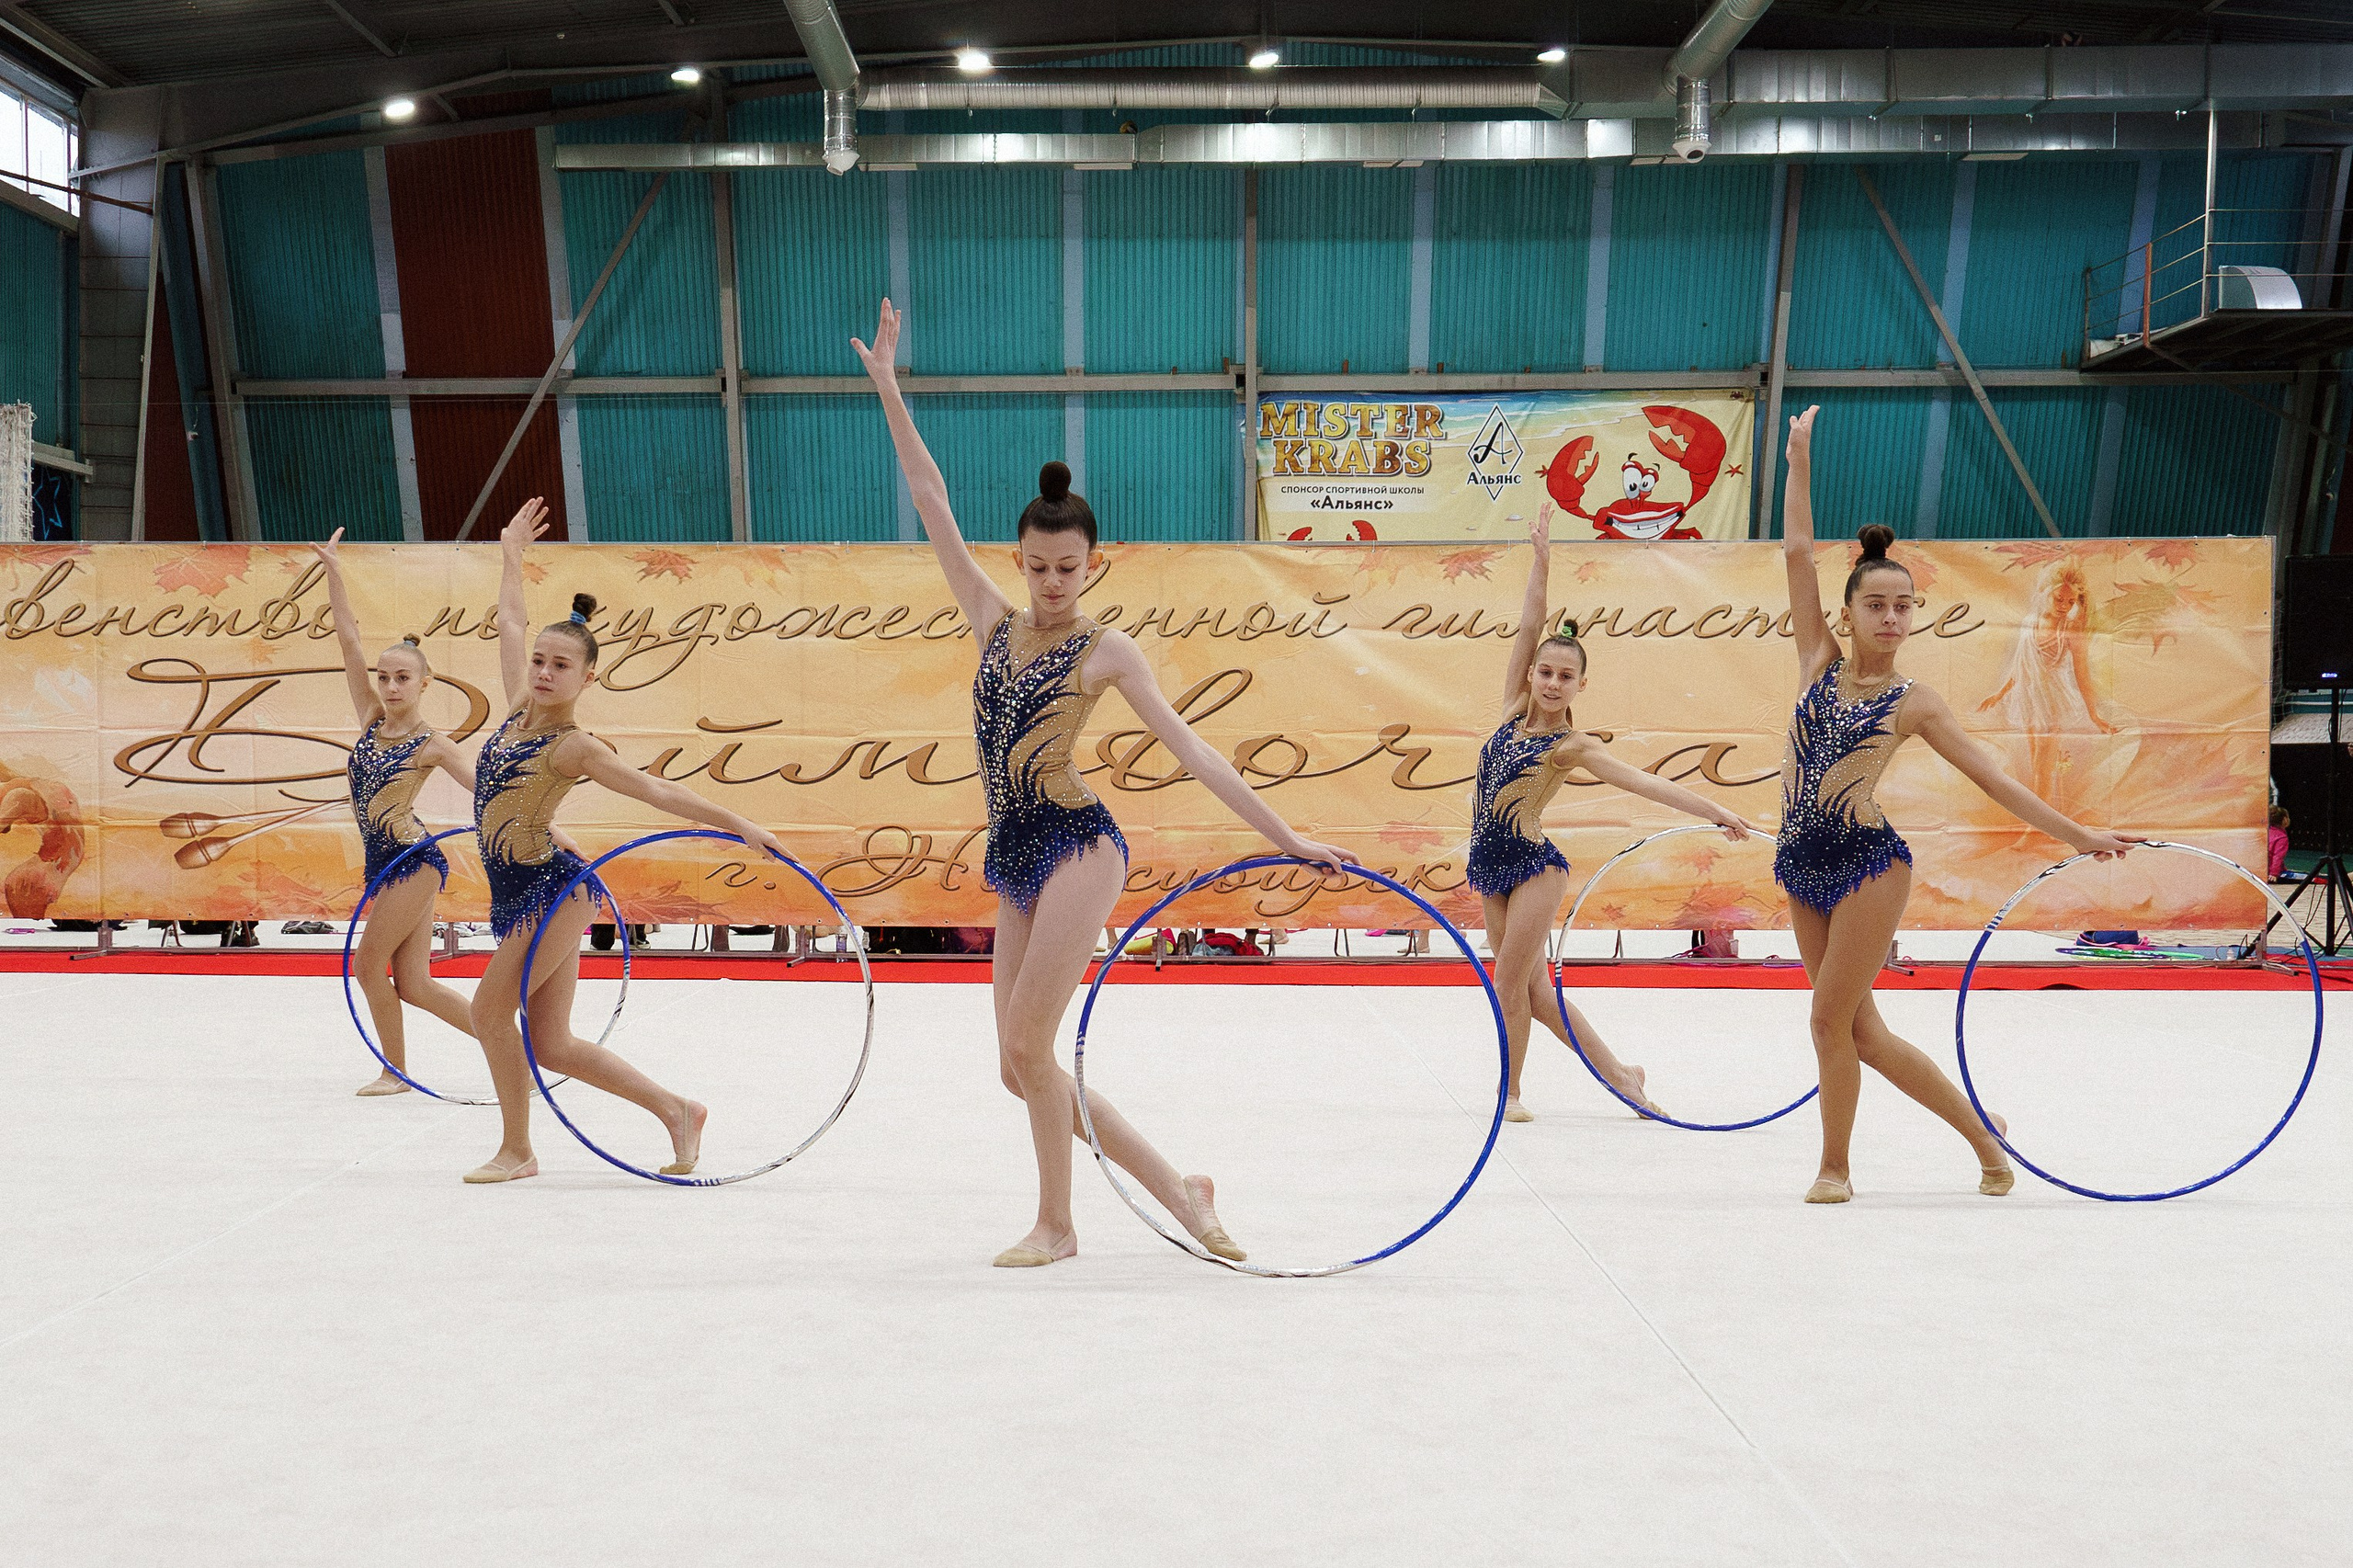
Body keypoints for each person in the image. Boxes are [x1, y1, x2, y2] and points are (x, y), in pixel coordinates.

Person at [855, 298, 1356, 1267]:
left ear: (1094, 564)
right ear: (1019, 560)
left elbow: (1195, 751)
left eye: (1067, 568)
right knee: (1015, 1064)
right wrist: (885, 383)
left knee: (1031, 1052)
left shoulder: (1106, 649)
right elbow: (930, 496)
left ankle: (1059, 1223)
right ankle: (1179, 1186)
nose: (1050, 581)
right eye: (1037, 566)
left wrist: (1286, 836)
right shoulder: (991, 621)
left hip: (1079, 845)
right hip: (1014, 854)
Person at [1776, 407, 2135, 1204]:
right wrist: (1799, 459)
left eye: (1904, 606)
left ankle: (1835, 1168)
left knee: (1828, 1023)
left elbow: (1993, 778)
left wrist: (2078, 835)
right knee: (1860, 1033)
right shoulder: (1815, 660)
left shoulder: (1916, 701)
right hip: (1799, 865)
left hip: (1870, 867)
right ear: (1848, 614)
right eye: (1878, 605)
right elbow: (1798, 552)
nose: (1892, 617)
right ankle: (1984, 1134)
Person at [460, 498, 790, 1185]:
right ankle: (677, 1110)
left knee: (491, 1009)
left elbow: (660, 793)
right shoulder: (518, 709)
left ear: (588, 678)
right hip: (519, 889)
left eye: (560, 666)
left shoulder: (573, 745)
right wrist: (510, 555)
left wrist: (744, 827)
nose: (544, 671)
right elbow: (513, 621)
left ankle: (518, 1149)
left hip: (554, 893)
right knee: (550, 1043)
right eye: (540, 662)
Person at [1474, 502, 1752, 1124]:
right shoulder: (1507, 713)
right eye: (1544, 671)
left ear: (1578, 686)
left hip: (1533, 869)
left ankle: (1510, 1094)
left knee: (1509, 984)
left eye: (1563, 676)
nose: (1550, 681)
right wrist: (1542, 557)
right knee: (1536, 994)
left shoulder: (1572, 746)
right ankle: (1622, 1074)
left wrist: (1713, 810)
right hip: (1487, 865)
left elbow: (1646, 784)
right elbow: (1528, 625)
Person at [311, 527, 480, 1096]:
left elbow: (485, 789)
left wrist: (542, 823)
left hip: (412, 858)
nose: (389, 685)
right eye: (384, 677)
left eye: (402, 677)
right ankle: (516, 1050)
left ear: (426, 682)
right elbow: (348, 641)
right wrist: (334, 570)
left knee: (366, 965)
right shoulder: (369, 719)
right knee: (414, 983)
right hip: (382, 860)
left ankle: (394, 1071)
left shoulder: (433, 741)